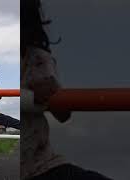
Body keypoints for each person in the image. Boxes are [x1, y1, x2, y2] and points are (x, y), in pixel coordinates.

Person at [21, 0, 112, 179]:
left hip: (41, 165)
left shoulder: (39, 59)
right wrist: (32, 98)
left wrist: (51, 93)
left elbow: (63, 115)